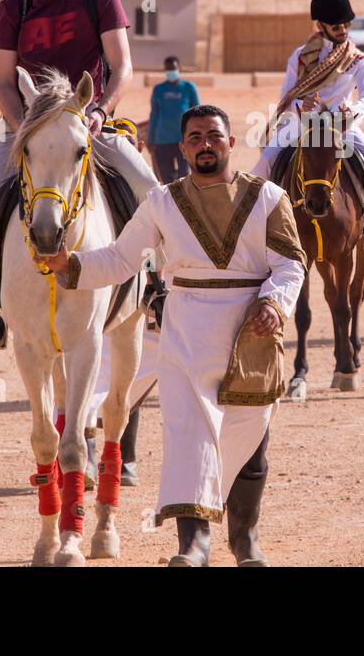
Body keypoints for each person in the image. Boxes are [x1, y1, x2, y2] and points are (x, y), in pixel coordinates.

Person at [43, 104, 305, 566]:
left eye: (214, 135)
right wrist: (74, 266)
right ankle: (193, 545)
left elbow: (291, 264)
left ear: (230, 141)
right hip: (185, 331)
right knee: (188, 438)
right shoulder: (162, 202)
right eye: (196, 137)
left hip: (253, 332)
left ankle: (245, 540)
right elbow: (123, 259)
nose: (206, 144)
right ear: (183, 148)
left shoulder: (269, 198)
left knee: (250, 435)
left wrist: (274, 303)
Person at [0, 0, 160, 350]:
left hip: (89, 128)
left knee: (150, 190)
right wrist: (22, 128)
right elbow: (2, 83)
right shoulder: (13, 8)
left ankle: (155, 287)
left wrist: (99, 110)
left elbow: (122, 66)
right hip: (28, 133)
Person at [250, 0, 364, 251]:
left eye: (347, 24)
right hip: (302, 123)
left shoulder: (358, 60)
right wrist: (303, 104)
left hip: (341, 125)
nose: (343, 30)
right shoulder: (301, 56)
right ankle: (258, 221)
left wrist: (352, 113)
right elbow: (286, 96)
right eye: (337, 25)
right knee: (267, 159)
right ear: (321, 25)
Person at [147, 55, 199, 182]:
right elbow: (154, 114)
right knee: (166, 180)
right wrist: (150, 138)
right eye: (168, 69)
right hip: (162, 141)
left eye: (173, 68)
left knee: (184, 177)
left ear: (179, 68)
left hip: (184, 140)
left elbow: (198, 113)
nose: (171, 71)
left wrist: (197, 137)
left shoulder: (188, 87)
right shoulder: (159, 89)